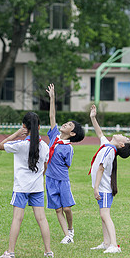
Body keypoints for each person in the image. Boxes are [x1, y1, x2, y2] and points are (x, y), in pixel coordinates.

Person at [0, 112, 53, 258]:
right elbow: (45, 166)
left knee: (17, 219)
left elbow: (0, 146)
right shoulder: (45, 146)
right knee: (42, 219)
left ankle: (10, 252)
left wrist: (16, 134)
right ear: (39, 127)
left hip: (21, 187)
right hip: (37, 188)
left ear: (24, 127)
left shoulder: (20, 145)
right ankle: (48, 251)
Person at [89, 104, 130, 254]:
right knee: (103, 215)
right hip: (102, 188)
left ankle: (114, 245)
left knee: (104, 214)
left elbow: (101, 168)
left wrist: (96, 188)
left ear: (121, 144)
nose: (121, 134)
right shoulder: (108, 146)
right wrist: (93, 117)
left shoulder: (110, 150)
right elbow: (99, 132)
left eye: (124, 137)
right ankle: (107, 242)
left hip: (104, 189)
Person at [45, 83, 84, 244]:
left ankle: (71, 229)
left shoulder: (68, 149)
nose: (65, 124)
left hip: (62, 180)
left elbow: (67, 165)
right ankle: (67, 236)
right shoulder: (54, 135)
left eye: (69, 125)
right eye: (66, 123)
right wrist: (52, 98)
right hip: (50, 179)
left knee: (67, 208)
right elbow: (52, 117)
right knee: (58, 209)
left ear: (72, 133)